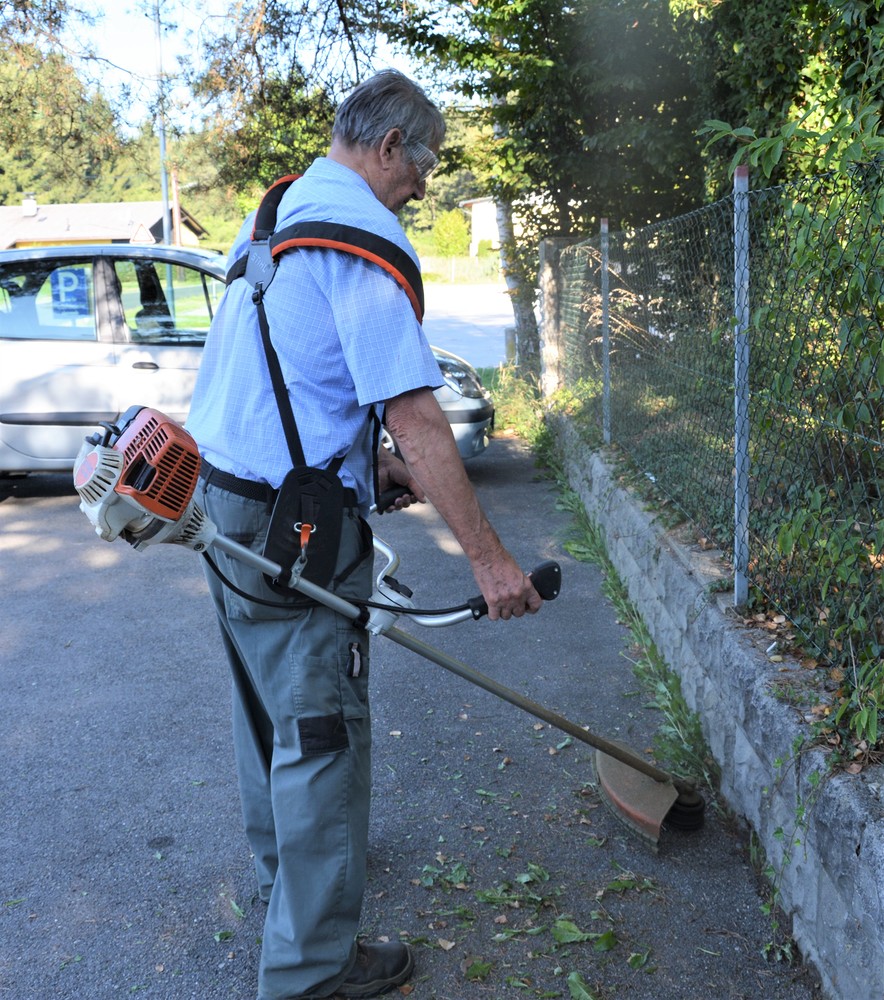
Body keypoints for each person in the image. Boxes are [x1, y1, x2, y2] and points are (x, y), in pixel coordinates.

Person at [186, 69, 542, 1000]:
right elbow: (418, 419)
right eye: (422, 167)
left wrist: (366, 466)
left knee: (267, 714)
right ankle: (311, 969)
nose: (422, 188)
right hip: (294, 529)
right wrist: (491, 563)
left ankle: (287, 890)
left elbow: (289, 374)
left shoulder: (277, 211)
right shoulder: (362, 241)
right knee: (319, 731)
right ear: (388, 148)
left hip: (223, 505)